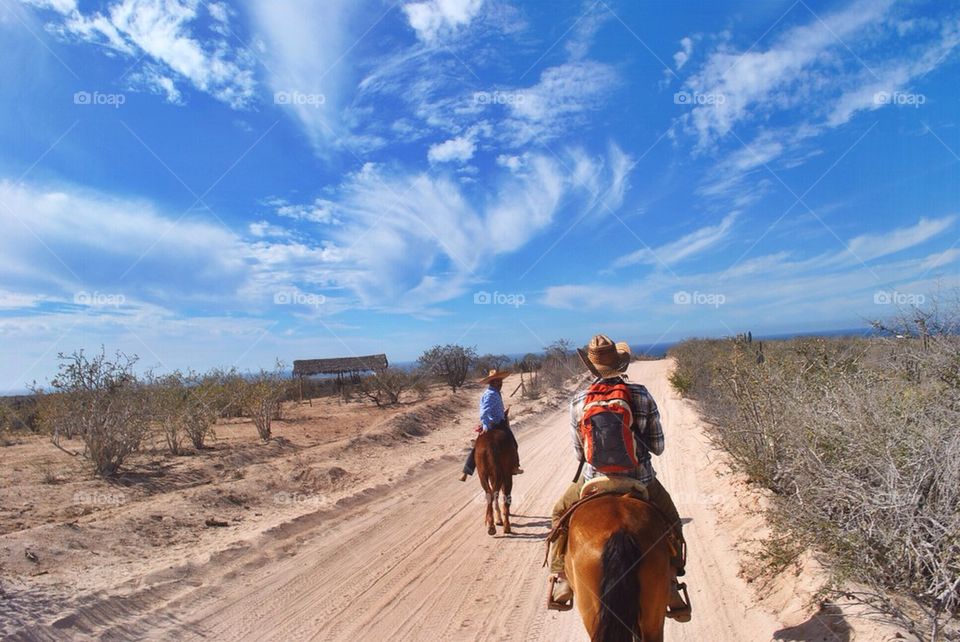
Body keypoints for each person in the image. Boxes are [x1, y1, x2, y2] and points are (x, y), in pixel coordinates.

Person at [546, 334, 691, 622]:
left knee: (559, 514)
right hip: (641, 479)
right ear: (620, 363)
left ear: (591, 368)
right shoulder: (640, 394)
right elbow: (658, 447)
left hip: (593, 481)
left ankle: (562, 578)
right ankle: (671, 584)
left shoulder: (578, 401)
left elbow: (580, 453)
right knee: (672, 521)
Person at [459, 369, 523, 481]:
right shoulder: (490, 394)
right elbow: (484, 412)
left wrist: (503, 413)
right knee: (512, 441)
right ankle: (514, 466)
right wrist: (486, 426)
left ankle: (466, 471)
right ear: (491, 383)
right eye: (496, 381)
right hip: (495, 423)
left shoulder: (495, 393)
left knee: (476, 448)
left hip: (495, 420)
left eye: (500, 381)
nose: (499, 383)